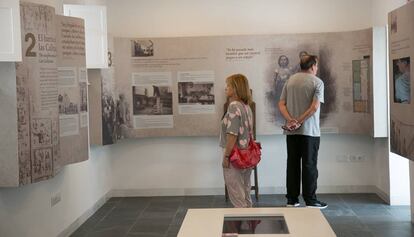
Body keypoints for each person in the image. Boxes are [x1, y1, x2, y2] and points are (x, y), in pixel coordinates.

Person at [278, 55, 327, 209]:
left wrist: (291, 120)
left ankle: (292, 200)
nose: (317, 68)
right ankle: (311, 200)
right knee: (309, 165)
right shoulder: (317, 82)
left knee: (292, 164)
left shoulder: (290, 80)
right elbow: (314, 107)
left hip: (291, 132)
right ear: (312, 66)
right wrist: (299, 120)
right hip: (310, 132)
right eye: (316, 66)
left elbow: (281, 104)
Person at [220, 74, 254, 208]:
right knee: (245, 192)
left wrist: (226, 156)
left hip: (234, 155)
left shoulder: (234, 106)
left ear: (235, 88)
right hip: (246, 154)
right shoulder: (246, 106)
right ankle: (249, 224)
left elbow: (232, 134)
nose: (225, 88)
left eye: (228, 85)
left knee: (236, 194)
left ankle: (240, 225)